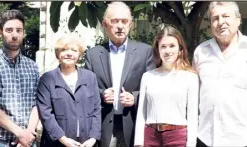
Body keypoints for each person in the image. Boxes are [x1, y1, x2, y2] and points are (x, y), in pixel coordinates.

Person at [84, 2, 155, 147]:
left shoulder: (145, 52)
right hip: (103, 125)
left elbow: (154, 88)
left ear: (131, 24)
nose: (120, 26)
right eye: (115, 21)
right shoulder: (93, 55)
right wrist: (102, 94)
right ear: (105, 24)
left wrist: (134, 97)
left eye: (124, 21)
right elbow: (85, 90)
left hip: (133, 123)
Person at [193, 2, 247, 147]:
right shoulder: (201, 52)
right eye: (215, 18)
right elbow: (194, 93)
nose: (221, 22)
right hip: (207, 138)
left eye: (226, 16)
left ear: (238, 19)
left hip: (245, 140)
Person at [0, 10, 39, 147]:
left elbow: (37, 103)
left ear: (24, 33)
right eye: (9, 30)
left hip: (29, 141)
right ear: (0, 32)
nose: (14, 35)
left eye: (18, 30)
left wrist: (28, 133)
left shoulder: (32, 67)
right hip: (1, 142)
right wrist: (20, 134)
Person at [133, 25, 198, 147]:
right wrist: (138, 142)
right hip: (150, 136)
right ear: (157, 50)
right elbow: (142, 112)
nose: (168, 51)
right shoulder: (147, 77)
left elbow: (192, 116)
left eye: (172, 46)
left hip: (178, 137)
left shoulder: (190, 78)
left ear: (180, 49)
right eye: (163, 46)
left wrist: (191, 144)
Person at [36, 35, 101, 147]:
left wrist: (93, 138)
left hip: (86, 143)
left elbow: (97, 109)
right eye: (64, 50)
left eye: (74, 50)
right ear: (58, 54)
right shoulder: (47, 79)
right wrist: (63, 139)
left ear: (79, 55)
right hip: (56, 143)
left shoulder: (90, 78)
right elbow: (46, 113)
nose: (69, 53)